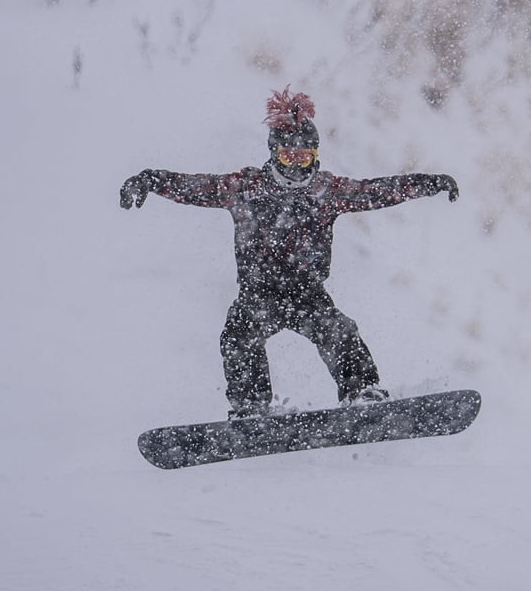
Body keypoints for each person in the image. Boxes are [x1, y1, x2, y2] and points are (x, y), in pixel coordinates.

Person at [120, 86, 459, 419]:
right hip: (258, 293)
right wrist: (150, 179)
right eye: (288, 156)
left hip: (307, 292)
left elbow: (376, 191)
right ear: (273, 154)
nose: (296, 166)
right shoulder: (246, 188)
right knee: (238, 336)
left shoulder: (326, 191)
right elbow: (197, 187)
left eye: (304, 157)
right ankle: (251, 407)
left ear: (315, 156)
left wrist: (427, 183)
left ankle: (361, 394)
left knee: (339, 331)